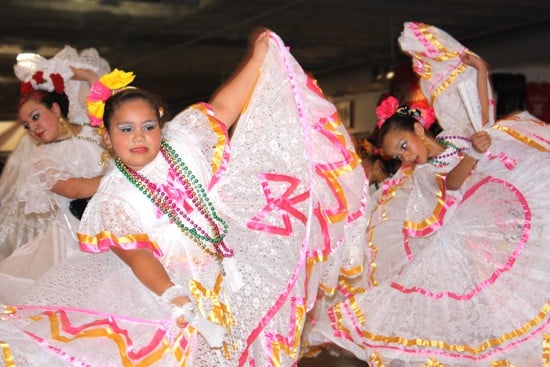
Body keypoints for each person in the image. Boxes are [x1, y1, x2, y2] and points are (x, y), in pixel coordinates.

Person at [0, 29, 369, 367]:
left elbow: (223, 110)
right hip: (160, 292)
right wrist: (177, 301)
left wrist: (258, 57)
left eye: (148, 127)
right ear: (108, 140)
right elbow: (137, 254)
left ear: (162, 125)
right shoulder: (114, 195)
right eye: (126, 130)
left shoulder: (181, 143)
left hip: (224, 266)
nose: (139, 137)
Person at [308, 22, 550, 365]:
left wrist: (480, 69)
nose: (406, 156)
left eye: (405, 145)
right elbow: (451, 185)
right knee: (470, 327)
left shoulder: (456, 138)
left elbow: (483, 115)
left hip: (491, 229)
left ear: (420, 130)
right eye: (398, 155)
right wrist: (475, 155)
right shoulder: (424, 174)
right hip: (460, 249)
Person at [0, 47, 111, 303]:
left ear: (57, 110)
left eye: (36, 117)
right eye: (27, 125)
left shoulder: (90, 129)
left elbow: (109, 101)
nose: (33, 128)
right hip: (74, 238)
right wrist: (123, 178)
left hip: (113, 223)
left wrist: (80, 73)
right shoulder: (42, 158)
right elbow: (74, 190)